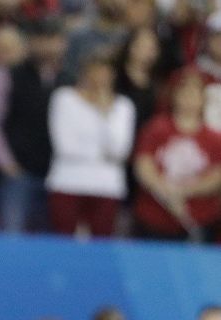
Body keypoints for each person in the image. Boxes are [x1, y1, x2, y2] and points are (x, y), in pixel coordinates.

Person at [0, 16, 67, 233]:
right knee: (12, 242)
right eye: (41, 38)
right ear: (30, 42)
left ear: (63, 42)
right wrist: (6, 163)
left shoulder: (70, 79)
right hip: (18, 175)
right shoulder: (9, 74)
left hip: (58, 176)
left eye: (52, 38)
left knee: (51, 245)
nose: (47, 45)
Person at [46, 55, 136, 238]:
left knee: (100, 246)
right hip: (68, 183)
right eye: (95, 72)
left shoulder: (123, 107)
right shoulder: (64, 98)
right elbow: (65, 147)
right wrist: (102, 155)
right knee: (63, 244)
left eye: (105, 73)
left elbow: (120, 151)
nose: (99, 78)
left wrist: (105, 113)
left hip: (107, 187)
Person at [133, 69, 221, 243]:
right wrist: (165, 192)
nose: (189, 99)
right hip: (154, 217)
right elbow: (143, 165)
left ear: (203, 100)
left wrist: (183, 191)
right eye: (184, 93)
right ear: (174, 96)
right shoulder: (156, 128)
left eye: (194, 94)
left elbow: (216, 176)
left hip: (198, 220)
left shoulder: (214, 138)